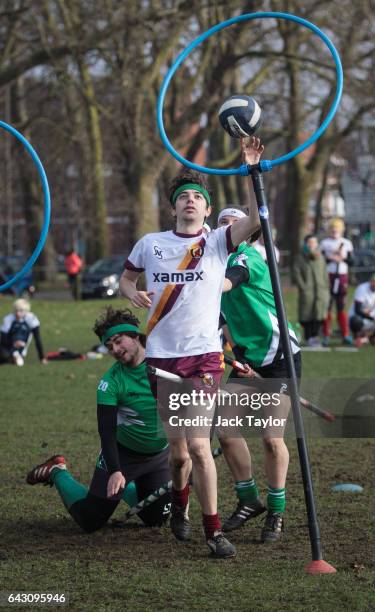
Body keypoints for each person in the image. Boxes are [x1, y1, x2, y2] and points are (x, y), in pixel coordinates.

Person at [119, 137, 264, 558]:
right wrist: (131, 293)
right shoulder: (151, 244)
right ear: (173, 208)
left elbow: (256, 217)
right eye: (182, 197)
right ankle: (180, 504)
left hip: (203, 357)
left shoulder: (219, 241)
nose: (189, 202)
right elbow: (127, 278)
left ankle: (213, 531)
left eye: (196, 198)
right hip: (162, 359)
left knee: (200, 446)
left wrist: (252, 171)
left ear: (205, 208)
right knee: (178, 455)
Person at [26, 307, 172, 533]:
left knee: (157, 518)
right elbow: (106, 431)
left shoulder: (167, 365)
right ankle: (57, 470)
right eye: (109, 346)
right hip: (123, 456)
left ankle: (129, 487)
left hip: (160, 454)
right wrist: (115, 470)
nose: (114, 349)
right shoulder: (110, 382)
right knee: (90, 520)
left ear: (135, 336)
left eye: (118, 341)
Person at [217, 206, 301, 543]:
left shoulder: (248, 256)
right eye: (222, 222)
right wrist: (239, 359)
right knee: (225, 428)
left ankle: (277, 509)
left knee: (270, 436)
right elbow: (227, 324)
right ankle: (249, 499)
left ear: (247, 230)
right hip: (248, 358)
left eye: (234, 222)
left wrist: (197, 286)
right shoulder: (211, 262)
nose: (228, 227)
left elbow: (228, 283)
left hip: (281, 357)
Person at [320, 218, 354, 346]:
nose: (335, 230)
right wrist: (330, 258)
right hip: (328, 276)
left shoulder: (346, 243)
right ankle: (326, 335)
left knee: (341, 306)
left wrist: (342, 258)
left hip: (342, 277)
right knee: (327, 306)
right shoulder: (324, 243)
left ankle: (345, 334)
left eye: (337, 228)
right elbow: (320, 260)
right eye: (333, 228)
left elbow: (352, 262)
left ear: (341, 230)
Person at [293, 235, 330, 348]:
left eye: (314, 242)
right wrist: (303, 286)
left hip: (321, 290)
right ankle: (309, 337)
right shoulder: (300, 257)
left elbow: (325, 273)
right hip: (308, 291)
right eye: (309, 242)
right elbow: (297, 273)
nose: (312, 244)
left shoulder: (321, 257)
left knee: (319, 313)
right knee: (306, 313)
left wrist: (326, 286)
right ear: (305, 244)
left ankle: (315, 336)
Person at [0, 298, 47, 366]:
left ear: (26, 311)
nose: (18, 313)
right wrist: (13, 343)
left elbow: (37, 340)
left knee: (17, 361)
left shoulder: (32, 319)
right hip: (9, 346)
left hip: (22, 348)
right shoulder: (8, 319)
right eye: (16, 311)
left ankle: (15, 357)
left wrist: (42, 357)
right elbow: (3, 339)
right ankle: (13, 357)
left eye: (21, 311)